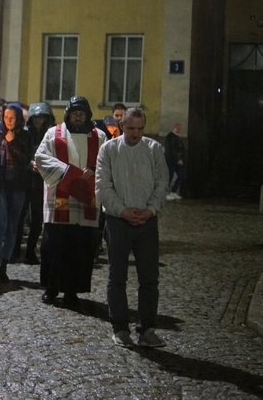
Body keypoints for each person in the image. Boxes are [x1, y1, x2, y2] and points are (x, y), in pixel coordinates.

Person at [95, 107, 169, 348]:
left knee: (149, 278)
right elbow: (103, 186)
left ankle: (147, 328)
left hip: (146, 221)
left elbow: (161, 183)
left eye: (140, 129)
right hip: (118, 221)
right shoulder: (109, 150)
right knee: (117, 276)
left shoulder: (154, 149)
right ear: (122, 126)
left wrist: (150, 210)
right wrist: (123, 211)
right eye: (130, 128)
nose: (135, 134)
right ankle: (120, 327)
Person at [34, 96, 106, 305]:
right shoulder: (53, 134)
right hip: (59, 200)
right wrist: (66, 173)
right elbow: (40, 158)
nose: (77, 117)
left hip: (86, 202)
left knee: (80, 249)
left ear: (87, 115)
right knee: (56, 246)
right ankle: (51, 288)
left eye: (81, 113)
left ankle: (72, 291)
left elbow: (107, 162)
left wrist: (93, 171)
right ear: (67, 114)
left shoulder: (99, 137)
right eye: (74, 113)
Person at [0, 103, 32, 283]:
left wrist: (12, 143)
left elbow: (26, 159)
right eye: (6, 117)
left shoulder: (25, 136)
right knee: (1, 224)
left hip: (18, 185)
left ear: (19, 118)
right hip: (0, 184)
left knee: (12, 226)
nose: (9, 121)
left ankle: (4, 266)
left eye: (12, 118)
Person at [14, 101, 55, 265]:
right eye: (36, 117)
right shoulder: (24, 134)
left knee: (38, 219)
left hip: (41, 180)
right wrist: (29, 164)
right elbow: (17, 154)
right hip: (25, 179)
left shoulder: (50, 134)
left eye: (42, 117)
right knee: (19, 216)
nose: (38, 120)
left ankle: (30, 250)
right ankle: (15, 249)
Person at [164, 122, 186, 200]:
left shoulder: (176, 138)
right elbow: (171, 150)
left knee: (180, 175)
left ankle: (173, 192)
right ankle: (165, 193)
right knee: (170, 176)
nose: (179, 130)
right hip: (171, 160)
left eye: (180, 128)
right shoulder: (170, 137)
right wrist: (178, 159)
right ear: (174, 128)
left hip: (177, 160)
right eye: (178, 128)